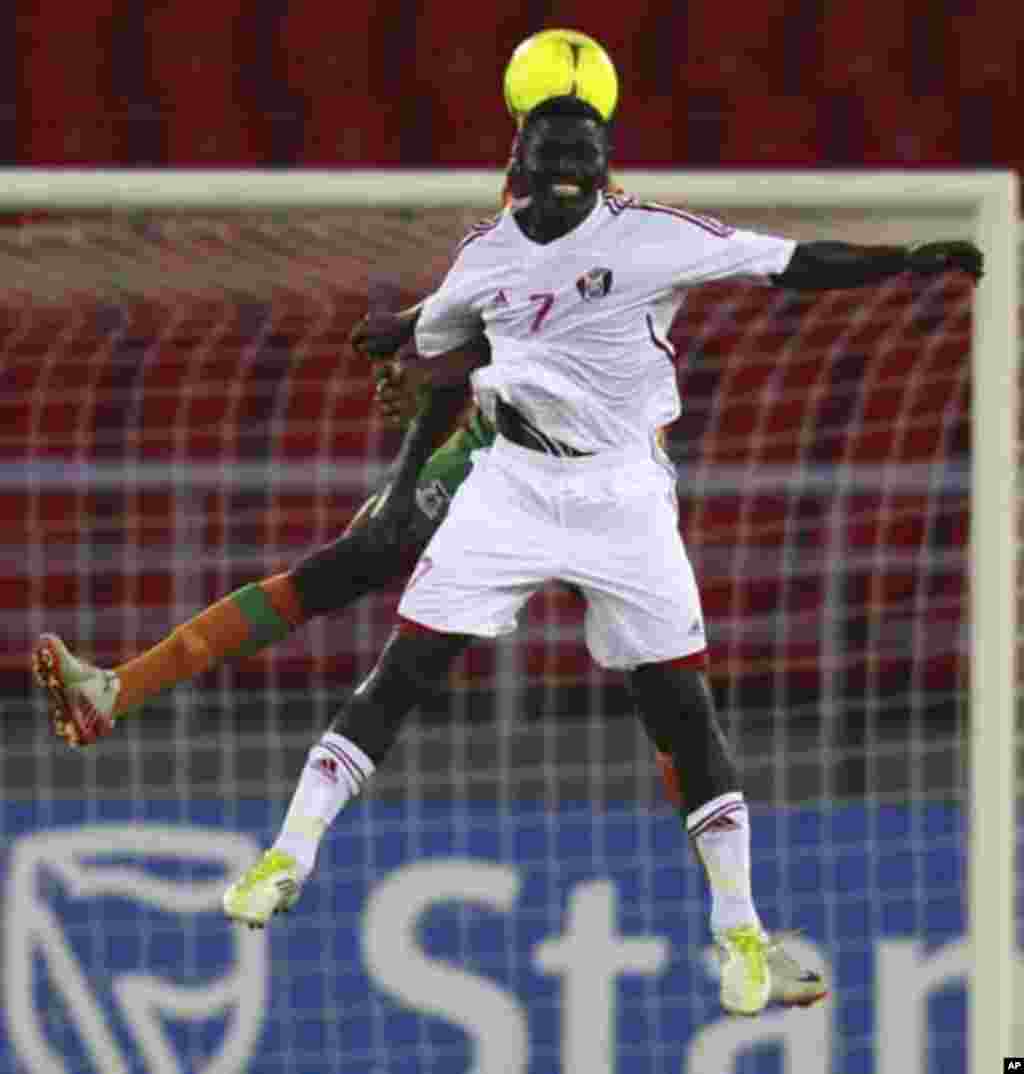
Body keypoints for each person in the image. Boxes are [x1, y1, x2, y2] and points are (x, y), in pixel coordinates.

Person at [218, 93, 984, 1016]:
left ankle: (741, 934)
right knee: (407, 668)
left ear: (605, 166)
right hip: (511, 480)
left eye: (584, 162)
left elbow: (786, 263)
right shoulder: (486, 253)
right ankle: (285, 856)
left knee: (679, 705)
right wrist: (394, 341)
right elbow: (433, 337)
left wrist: (903, 262)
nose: (568, 178)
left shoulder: (650, 235)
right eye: (552, 162)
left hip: (623, 495)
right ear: (522, 165)